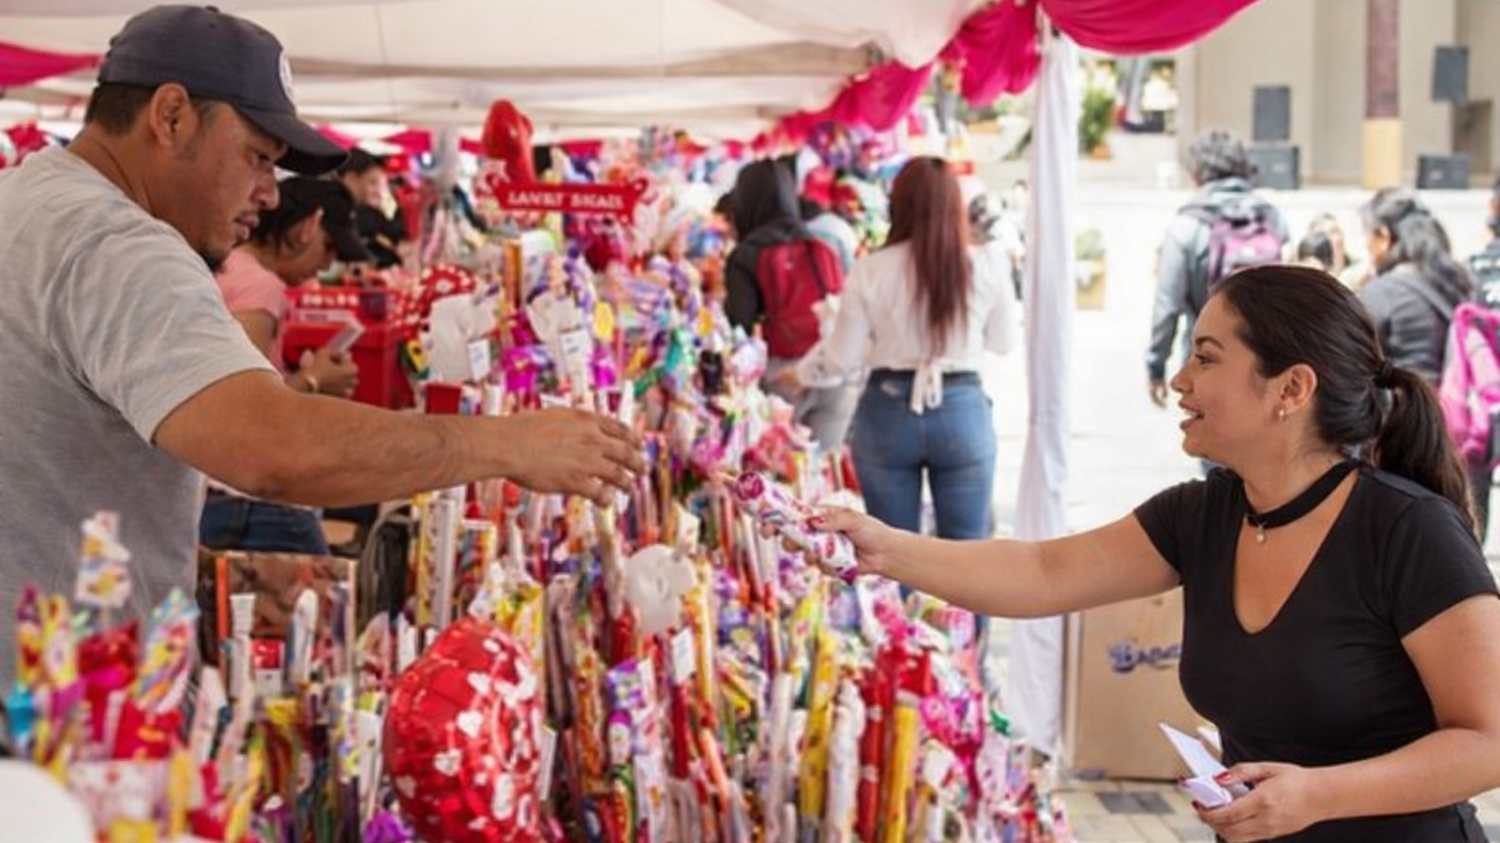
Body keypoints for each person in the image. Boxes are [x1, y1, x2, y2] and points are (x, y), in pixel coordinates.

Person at [0, 5, 643, 687]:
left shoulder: (27, 201)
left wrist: (217, 565)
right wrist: (506, 444)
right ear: (171, 116)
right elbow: (272, 448)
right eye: (257, 157)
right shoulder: (121, 245)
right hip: (57, 724)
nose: (267, 193)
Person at [814, 266, 1500, 842]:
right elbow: (1042, 571)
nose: (1178, 379)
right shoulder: (1201, 515)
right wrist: (884, 549)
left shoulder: (1408, 531)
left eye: (1205, 357)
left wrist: (1320, 794)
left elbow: (1488, 739)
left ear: (1291, 389)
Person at [779, 156, 1017, 541]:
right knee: (971, 558)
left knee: (890, 556)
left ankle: (904, 604)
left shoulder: (870, 269)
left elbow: (841, 357)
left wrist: (802, 374)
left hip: (887, 412)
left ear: (897, 204)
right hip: (961, 409)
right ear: (954, 206)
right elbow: (1003, 343)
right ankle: (965, 607)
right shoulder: (988, 264)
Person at [200, 176, 370, 555]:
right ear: (307, 228)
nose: (328, 263)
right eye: (328, 247)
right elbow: (245, 410)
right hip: (245, 498)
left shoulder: (226, 263)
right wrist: (313, 380)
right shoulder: (261, 286)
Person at [1147, 129, 1288, 407]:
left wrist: (1156, 366)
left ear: (1197, 172)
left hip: (1208, 358)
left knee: (1212, 440)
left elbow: (1168, 306)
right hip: (1267, 358)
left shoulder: (1187, 225)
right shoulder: (1271, 216)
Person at [724, 158, 855, 452]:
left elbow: (739, 329)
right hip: (834, 372)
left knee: (782, 478)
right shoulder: (821, 243)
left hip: (783, 378)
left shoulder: (747, 254)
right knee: (822, 471)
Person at [1358, 188, 1472, 386]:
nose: (1367, 247)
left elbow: (1351, 362)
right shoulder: (1466, 283)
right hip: (1465, 409)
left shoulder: (1382, 293)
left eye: (1368, 240)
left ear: (1384, 237)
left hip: (1411, 411)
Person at [337, 147, 408, 270]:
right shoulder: (336, 211)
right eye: (371, 183)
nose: (376, 191)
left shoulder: (362, 211)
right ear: (351, 179)